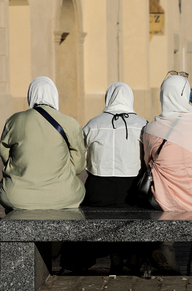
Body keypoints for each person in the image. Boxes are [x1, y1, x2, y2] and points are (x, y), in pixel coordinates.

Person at [64, 82, 148, 274]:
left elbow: (81, 157)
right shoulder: (143, 124)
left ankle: (115, 257)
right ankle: (135, 256)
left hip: (99, 190)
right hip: (133, 191)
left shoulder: (93, 124)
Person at [142, 73, 192, 275]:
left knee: (163, 185)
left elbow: (147, 162)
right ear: (186, 94)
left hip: (168, 202)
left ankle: (166, 249)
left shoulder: (151, 128)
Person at [0, 76, 86, 212]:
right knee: (79, 188)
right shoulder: (69, 122)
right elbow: (79, 164)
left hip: (17, 196)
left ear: (30, 95)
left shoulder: (15, 120)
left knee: (6, 191)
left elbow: (4, 153)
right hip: (63, 195)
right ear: (54, 95)